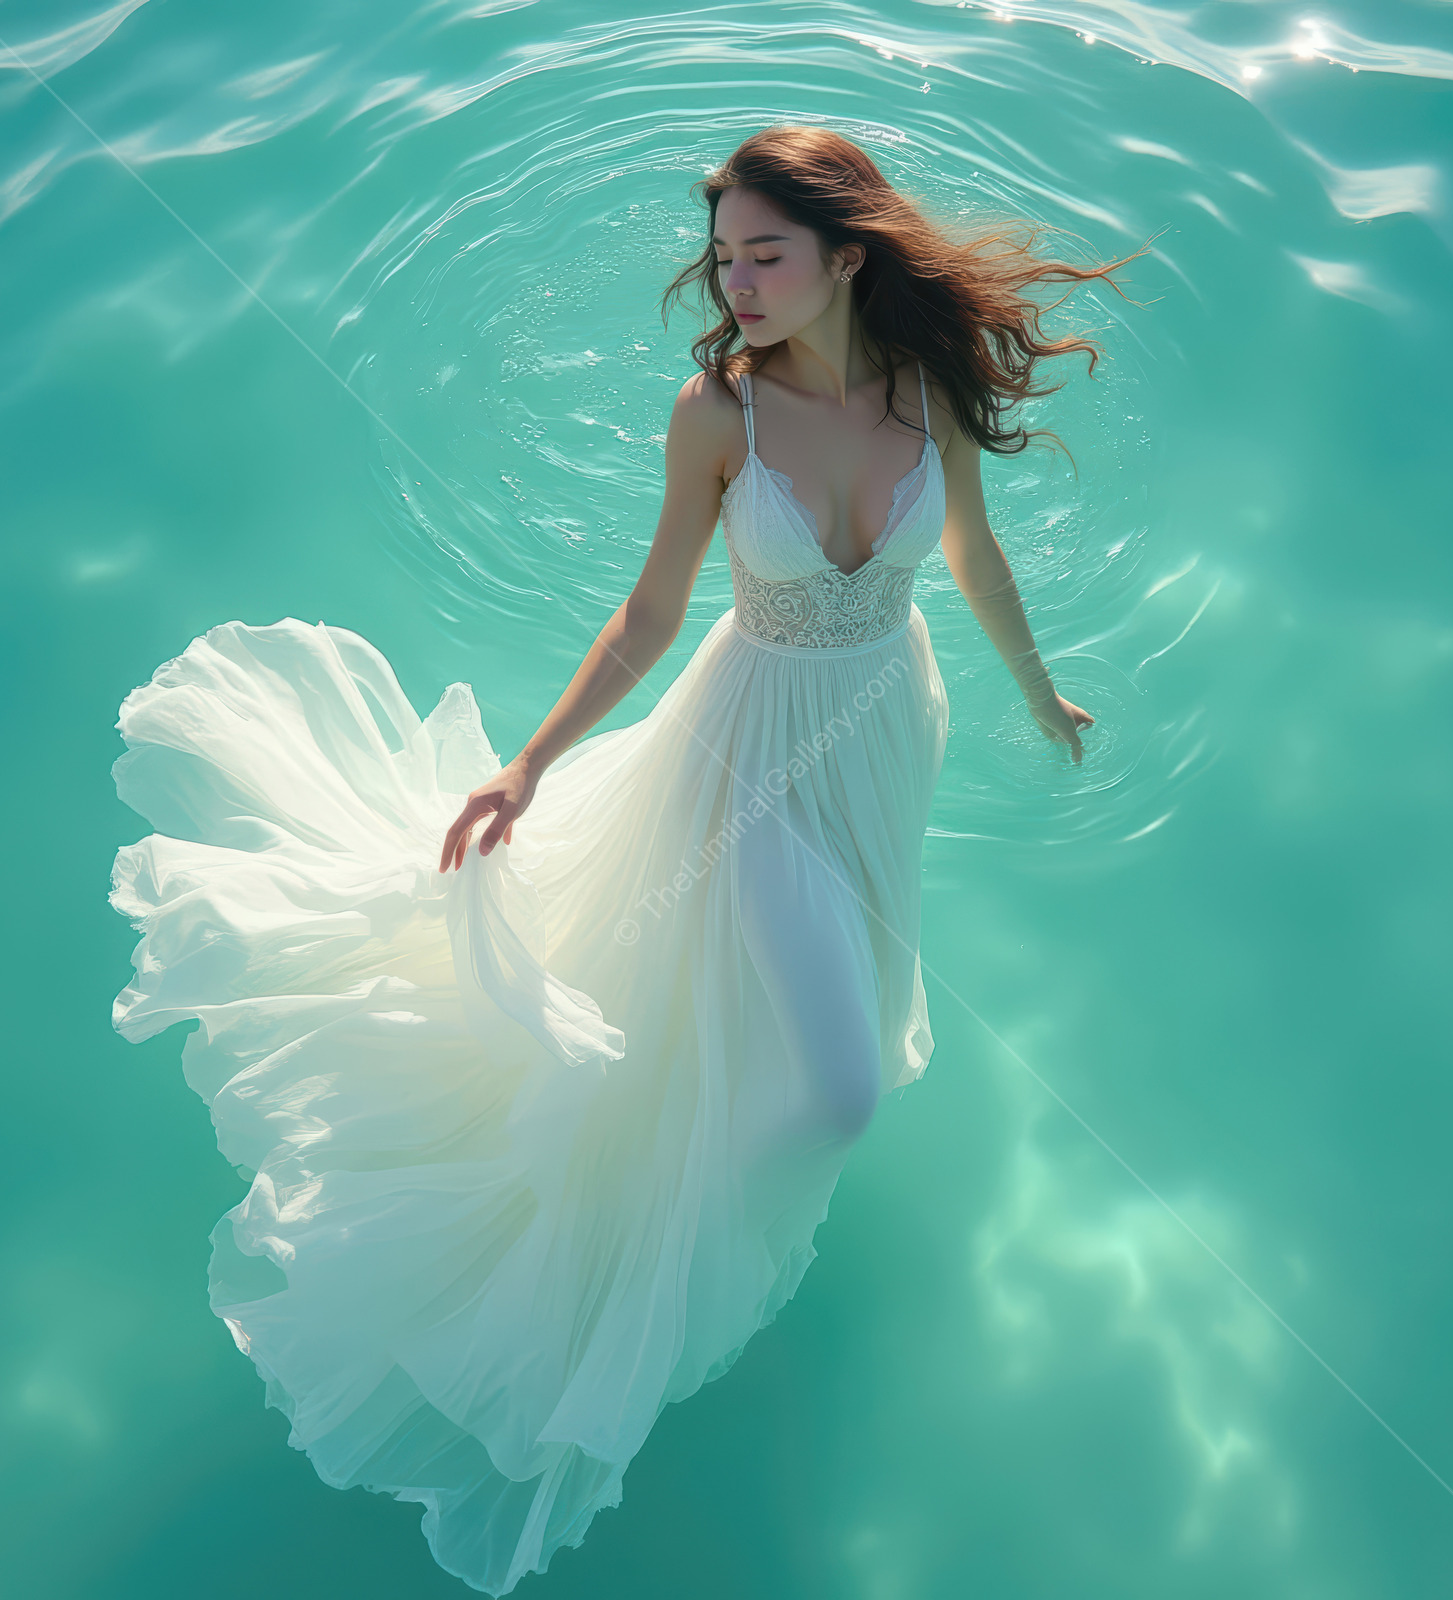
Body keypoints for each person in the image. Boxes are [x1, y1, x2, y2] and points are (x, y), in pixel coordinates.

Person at [109, 125, 1136, 1596]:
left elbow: (969, 554)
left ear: (848, 253)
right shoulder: (717, 414)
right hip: (748, 749)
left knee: (788, 996)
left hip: (889, 724)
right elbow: (652, 614)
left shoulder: (925, 385)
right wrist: (529, 763)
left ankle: (701, 1141)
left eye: (764, 251)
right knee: (839, 1090)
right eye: (724, 255)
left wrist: (1037, 691)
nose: (737, 280)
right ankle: (664, 1219)